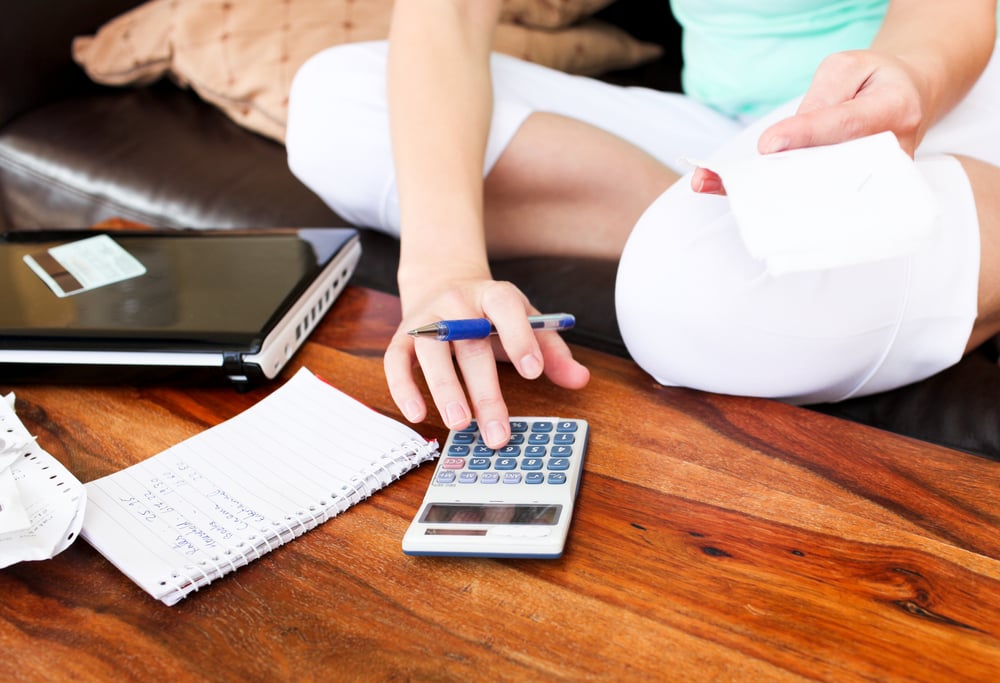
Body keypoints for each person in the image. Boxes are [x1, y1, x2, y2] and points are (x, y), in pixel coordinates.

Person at [286, 0, 1000, 449]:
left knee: (674, 304)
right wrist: (441, 268)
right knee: (330, 107)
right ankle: (734, 225)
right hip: (729, 126)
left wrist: (913, 77)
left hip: (935, 89)